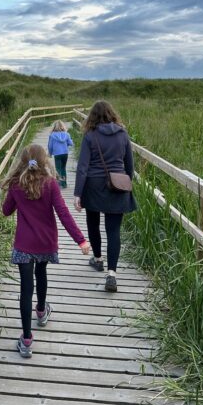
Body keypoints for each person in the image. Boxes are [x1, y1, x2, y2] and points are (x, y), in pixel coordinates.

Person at [2, 144, 90, 358]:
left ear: (22, 162)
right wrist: (81, 241)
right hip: (45, 243)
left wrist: (16, 198)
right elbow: (63, 214)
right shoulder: (51, 184)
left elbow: (6, 211)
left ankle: (26, 339)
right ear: (45, 162)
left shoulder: (16, 184)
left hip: (24, 244)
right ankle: (41, 311)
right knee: (41, 273)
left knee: (25, 289)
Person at [73, 100, 137, 293]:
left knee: (92, 222)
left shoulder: (90, 135)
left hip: (93, 186)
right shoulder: (123, 134)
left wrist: (77, 193)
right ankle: (112, 274)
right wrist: (124, 182)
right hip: (117, 186)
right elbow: (130, 166)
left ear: (92, 116)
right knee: (113, 231)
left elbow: (83, 167)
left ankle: (98, 259)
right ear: (112, 114)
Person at [47, 120, 74, 189]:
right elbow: (71, 143)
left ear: (54, 127)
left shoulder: (52, 135)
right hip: (65, 153)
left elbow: (50, 146)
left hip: (57, 154)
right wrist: (67, 143)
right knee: (63, 168)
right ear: (63, 126)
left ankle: (58, 184)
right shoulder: (67, 134)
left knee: (58, 169)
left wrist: (50, 153)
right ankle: (64, 184)